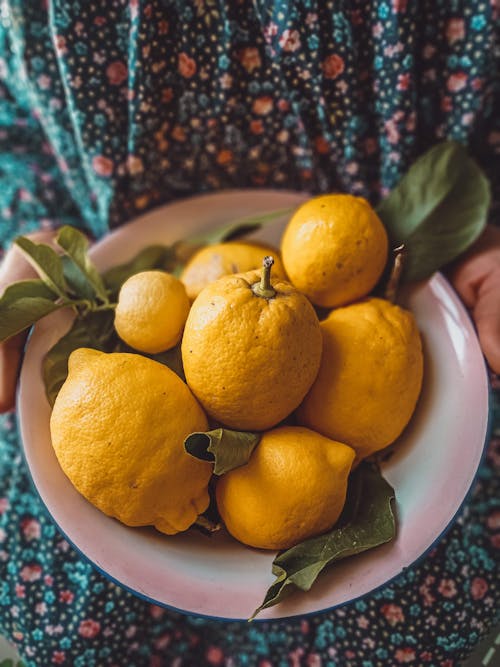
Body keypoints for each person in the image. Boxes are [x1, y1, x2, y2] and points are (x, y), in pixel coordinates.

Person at [0, 1, 499, 665]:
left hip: (367, 286)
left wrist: (481, 246)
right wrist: (33, 239)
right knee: (72, 637)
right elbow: (18, 128)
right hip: (145, 328)